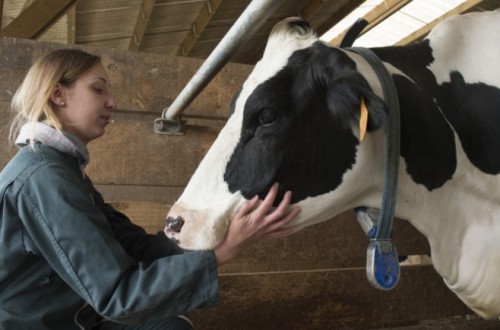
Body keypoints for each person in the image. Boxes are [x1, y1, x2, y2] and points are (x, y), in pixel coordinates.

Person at [0, 48, 301, 329]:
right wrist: (224, 250)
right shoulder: (44, 178)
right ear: (58, 95)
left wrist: (216, 228)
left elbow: (135, 247)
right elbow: (118, 296)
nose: (112, 102)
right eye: (98, 88)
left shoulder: (61, 169)